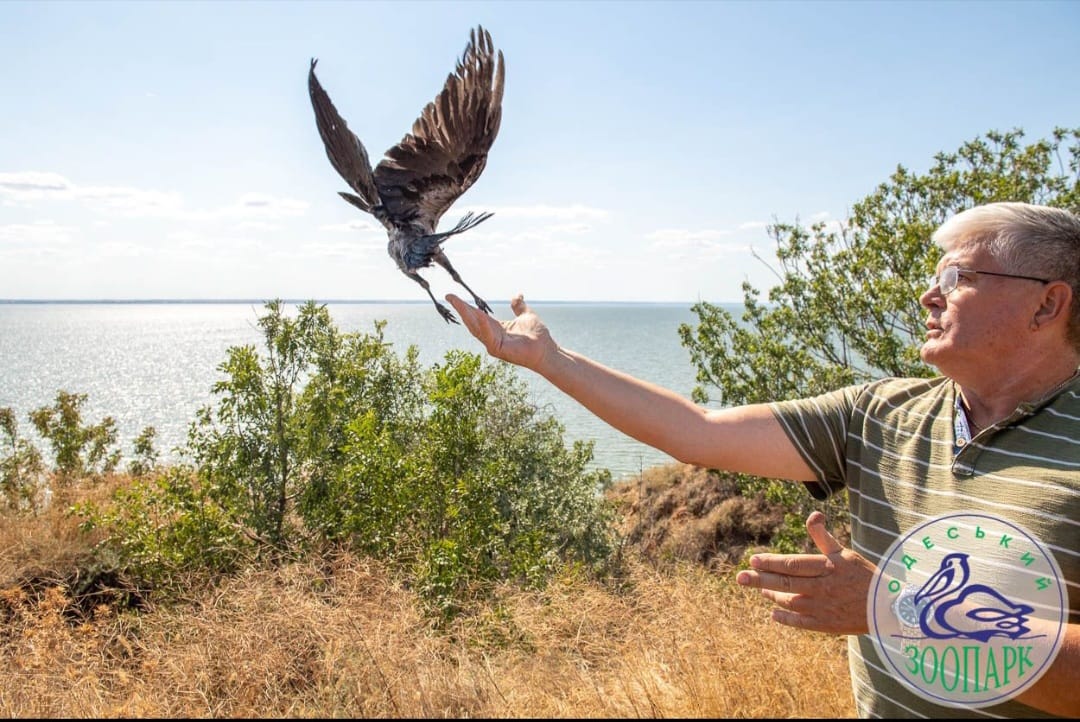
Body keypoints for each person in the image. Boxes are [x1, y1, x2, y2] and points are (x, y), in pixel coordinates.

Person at [446, 201, 1079, 718]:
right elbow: (697, 431)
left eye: (956, 278)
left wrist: (899, 610)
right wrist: (549, 360)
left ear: (1047, 305)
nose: (927, 296)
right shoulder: (883, 413)